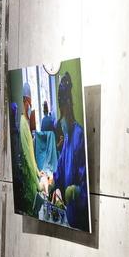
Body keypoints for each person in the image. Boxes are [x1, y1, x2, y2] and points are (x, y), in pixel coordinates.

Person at [51, 71, 89, 231]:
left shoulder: (79, 135)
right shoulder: (67, 137)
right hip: (69, 214)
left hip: (80, 218)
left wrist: (76, 191)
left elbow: (86, 182)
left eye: (63, 112)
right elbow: (60, 167)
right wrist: (54, 184)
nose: (61, 118)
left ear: (68, 107)